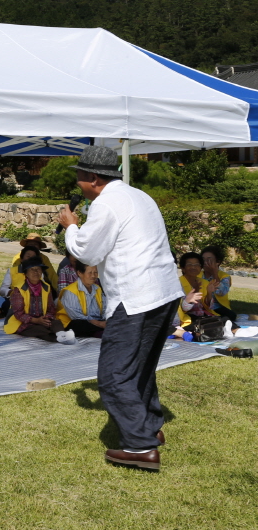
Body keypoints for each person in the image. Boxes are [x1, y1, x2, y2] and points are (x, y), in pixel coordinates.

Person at [59, 145, 183, 470]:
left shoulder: (106, 204)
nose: (78, 184)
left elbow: (86, 251)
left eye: (80, 177)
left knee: (113, 375)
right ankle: (150, 428)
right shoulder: (138, 196)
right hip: (165, 292)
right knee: (139, 368)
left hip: (135, 297)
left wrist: (71, 225)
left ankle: (141, 448)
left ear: (94, 179)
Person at [5, 257, 66, 341]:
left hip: (42, 319)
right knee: (38, 329)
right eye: (32, 269)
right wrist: (36, 320)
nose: (36, 272)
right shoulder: (19, 289)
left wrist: (46, 318)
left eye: (38, 269)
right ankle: (55, 336)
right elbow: (18, 313)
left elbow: (51, 308)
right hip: (25, 323)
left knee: (57, 323)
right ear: (26, 273)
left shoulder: (46, 287)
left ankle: (61, 335)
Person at [56, 261, 107, 338]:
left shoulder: (97, 288)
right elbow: (77, 316)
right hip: (75, 322)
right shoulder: (70, 291)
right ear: (79, 273)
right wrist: (99, 323)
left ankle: (101, 331)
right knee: (80, 324)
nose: (93, 276)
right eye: (90, 273)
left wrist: (105, 320)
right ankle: (100, 332)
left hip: (97, 321)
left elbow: (105, 308)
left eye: (95, 272)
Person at [200, 246, 237, 322]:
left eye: (209, 259)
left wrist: (214, 273)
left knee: (231, 315)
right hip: (201, 305)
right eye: (203, 259)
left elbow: (221, 292)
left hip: (217, 306)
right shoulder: (198, 275)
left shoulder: (225, 276)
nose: (205, 262)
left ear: (218, 262)